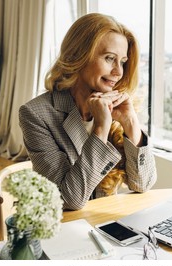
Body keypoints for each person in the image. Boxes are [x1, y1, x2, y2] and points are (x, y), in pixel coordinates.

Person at [19, 13, 157, 210]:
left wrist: (131, 124)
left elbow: (143, 183)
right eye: (109, 58)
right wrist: (101, 129)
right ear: (78, 56)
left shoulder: (119, 106)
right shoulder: (36, 114)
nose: (118, 72)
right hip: (64, 227)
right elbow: (68, 199)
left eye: (123, 62)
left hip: (104, 223)